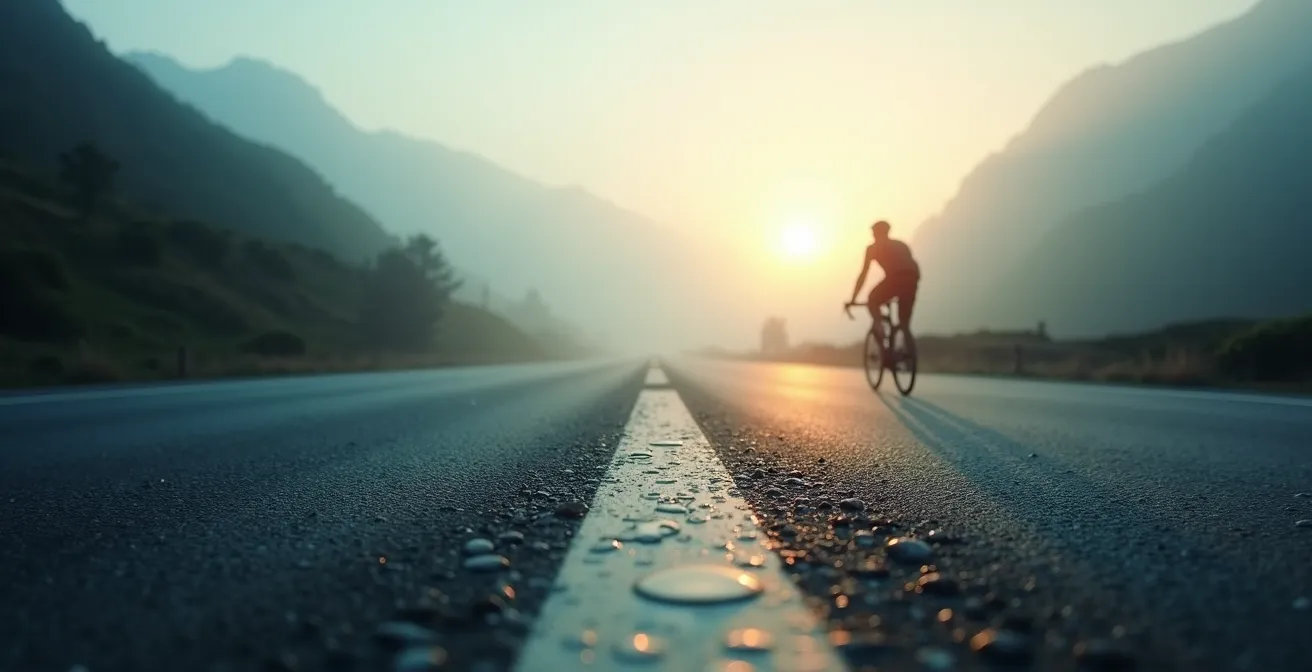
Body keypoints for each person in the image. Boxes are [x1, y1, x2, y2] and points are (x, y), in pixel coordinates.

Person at [846, 220, 920, 351]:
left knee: (873, 299)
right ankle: (910, 355)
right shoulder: (901, 245)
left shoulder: (872, 249)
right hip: (912, 279)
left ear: (875, 233)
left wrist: (853, 299)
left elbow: (863, 275)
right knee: (904, 324)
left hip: (896, 278)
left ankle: (878, 325)